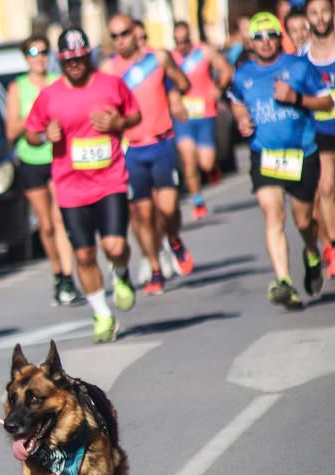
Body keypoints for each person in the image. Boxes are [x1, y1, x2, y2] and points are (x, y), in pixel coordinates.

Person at [25, 27, 141, 343]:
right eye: (68, 60)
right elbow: (30, 133)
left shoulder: (111, 85)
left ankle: (121, 272)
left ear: (88, 55)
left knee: (114, 246)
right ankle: (102, 313)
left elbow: (134, 115)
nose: (74, 65)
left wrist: (117, 124)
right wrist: (44, 136)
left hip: (110, 180)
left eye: (79, 58)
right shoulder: (50, 95)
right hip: (71, 188)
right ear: (60, 61)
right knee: (85, 255)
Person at [230, 12, 332, 308]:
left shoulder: (299, 67)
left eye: (270, 35)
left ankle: (312, 252)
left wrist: (296, 99)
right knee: (273, 213)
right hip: (265, 155)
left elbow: (327, 101)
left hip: (301, 154)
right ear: (250, 42)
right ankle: (284, 281)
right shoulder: (244, 74)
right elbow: (235, 102)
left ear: (279, 38)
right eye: (258, 37)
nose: (265, 42)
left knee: (304, 221)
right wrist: (242, 120)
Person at [103, 14, 195, 296]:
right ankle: (155, 267)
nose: (120, 41)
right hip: (130, 148)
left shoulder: (159, 59)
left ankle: (174, 239)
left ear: (136, 32)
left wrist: (175, 96)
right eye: (114, 36)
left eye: (124, 34)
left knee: (167, 208)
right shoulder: (109, 68)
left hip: (161, 142)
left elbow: (183, 84)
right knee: (141, 215)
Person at [7, 34, 83, 306]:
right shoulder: (18, 87)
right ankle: (57, 273)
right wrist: (36, 118)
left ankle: (68, 275)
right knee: (47, 225)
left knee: (60, 219)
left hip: (59, 158)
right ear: (25, 57)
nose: (39, 57)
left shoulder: (58, 82)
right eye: (33, 52)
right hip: (31, 160)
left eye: (43, 52)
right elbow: (11, 129)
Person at [172, 20, 234, 220]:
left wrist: (219, 88)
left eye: (184, 40)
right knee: (189, 161)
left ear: (190, 38)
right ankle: (197, 201)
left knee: (205, 163)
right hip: (183, 118)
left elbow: (226, 70)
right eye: (177, 41)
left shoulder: (204, 52)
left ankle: (212, 168)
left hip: (205, 114)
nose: (182, 45)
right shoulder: (170, 59)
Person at [304, 0, 335, 277]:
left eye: (324, 11)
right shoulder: (304, 57)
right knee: (325, 188)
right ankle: (333, 246)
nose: (320, 18)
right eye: (314, 13)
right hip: (321, 131)